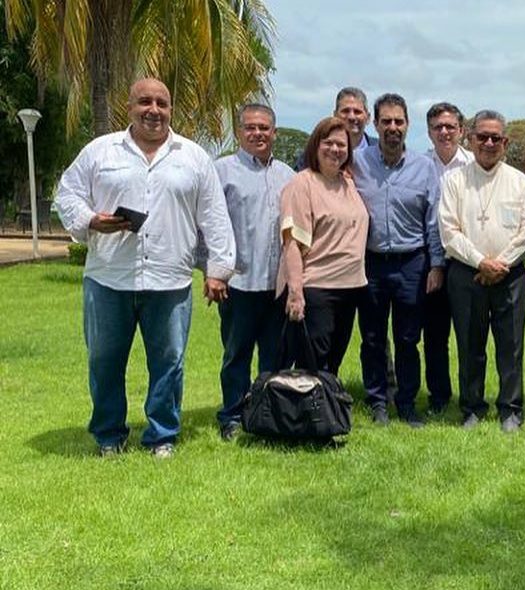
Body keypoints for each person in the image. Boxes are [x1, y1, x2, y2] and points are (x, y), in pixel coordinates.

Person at [55, 77, 235, 458]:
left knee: (168, 363)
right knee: (104, 362)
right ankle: (109, 436)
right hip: (108, 277)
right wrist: (91, 220)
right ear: (130, 108)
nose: (154, 110)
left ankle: (162, 436)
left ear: (171, 110)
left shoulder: (193, 157)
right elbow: (66, 194)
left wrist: (218, 270)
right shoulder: (100, 152)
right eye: (145, 102)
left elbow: (215, 216)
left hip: (170, 281)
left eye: (161, 104)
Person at [439, 110, 525, 432]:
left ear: (505, 142)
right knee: (470, 345)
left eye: (496, 137)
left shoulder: (518, 181)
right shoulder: (455, 180)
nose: (489, 143)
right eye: (482, 136)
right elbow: (449, 230)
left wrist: (500, 263)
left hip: (510, 276)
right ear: (470, 139)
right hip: (466, 274)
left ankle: (511, 410)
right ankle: (472, 407)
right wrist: (480, 261)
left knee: (511, 346)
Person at [352, 93, 443, 427]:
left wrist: (436, 265)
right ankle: (377, 401)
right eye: (386, 121)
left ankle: (406, 402)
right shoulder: (357, 162)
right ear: (375, 124)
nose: (393, 127)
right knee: (372, 338)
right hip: (371, 262)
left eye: (399, 121)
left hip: (411, 263)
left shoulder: (424, 167)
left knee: (408, 338)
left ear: (407, 125)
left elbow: (433, 220)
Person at [214, 103, 295, 441]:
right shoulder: (222, 171)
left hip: (277, 283)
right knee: (237, 354)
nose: (257, 133)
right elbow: (209, 225)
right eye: (250, 127)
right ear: (239, 132)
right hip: (239, 282)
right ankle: (233, 415)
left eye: (264, 128)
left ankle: (268, 414)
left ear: (274, 132)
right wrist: (214, 271)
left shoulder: (288, 175)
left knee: (276, 357)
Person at [277, 116, 369, 379]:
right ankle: (308, 405)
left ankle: (326, 403)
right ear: (316, 145)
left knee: (333, 361)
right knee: (312, 363)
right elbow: (292, 243)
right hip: (317, 288)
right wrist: (296, 292)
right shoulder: (301, 184)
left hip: (350, 287)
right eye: (328, 143)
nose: (335, 149)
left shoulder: (348, 184)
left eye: (341, 145)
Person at [422, 102, 473, 414]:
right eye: (438, 127)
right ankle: (439, 397)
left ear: (461, 130)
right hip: (431, 261)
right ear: (429, 132)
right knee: (435, 334)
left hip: (468, 261)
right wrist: (435, 264)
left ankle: (471, 397)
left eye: (450, 126)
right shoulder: (420, 165)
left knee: (469, 335)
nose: (444, 132)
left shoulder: (474, 164)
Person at [293, 86, 377, 170]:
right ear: (335, 115)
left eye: (357, 112)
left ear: (368, 118)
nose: (351, 117)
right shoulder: (312, 154)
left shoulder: (381, 151)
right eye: (345, 111)